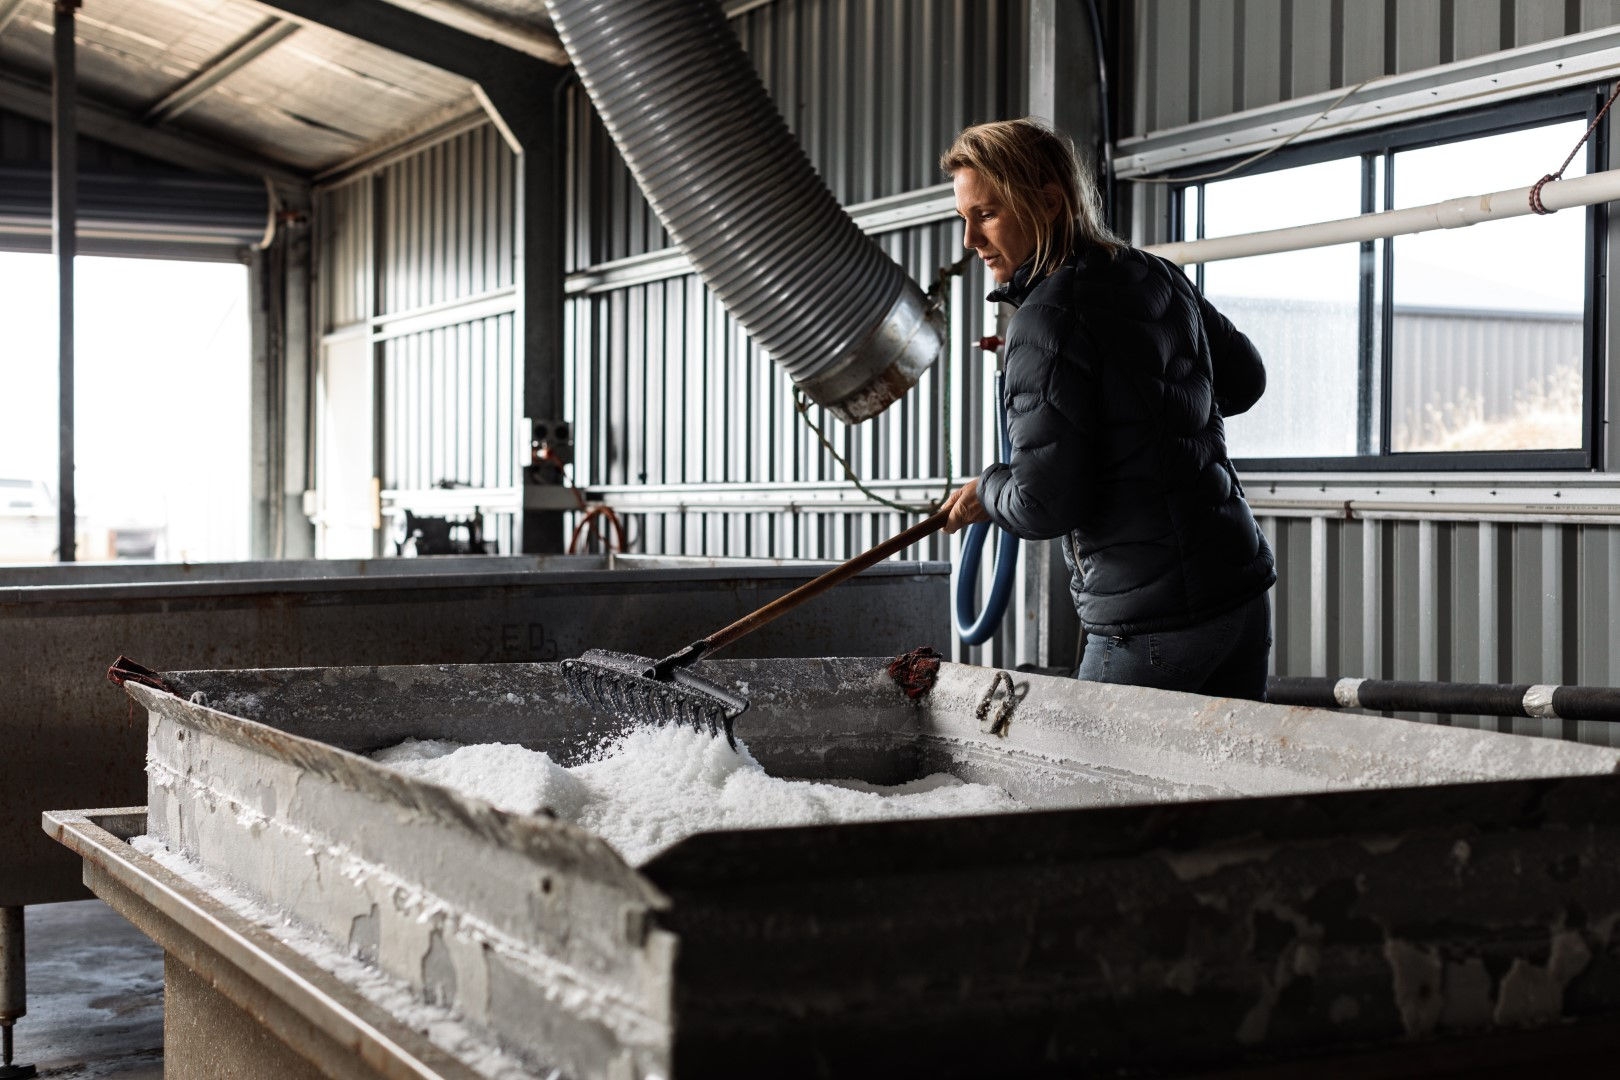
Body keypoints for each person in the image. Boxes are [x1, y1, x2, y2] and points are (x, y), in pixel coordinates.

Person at [937, 118, 1276, 700]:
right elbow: (1245, 381)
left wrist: (988, 489)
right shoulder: (1155, 273)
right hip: (1238, 598)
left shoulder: (1044, 318)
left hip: (1149, 623)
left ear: (1047, 202)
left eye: (986, 214)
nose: (970, 241)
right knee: (1218, 791)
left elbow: (1043, 505)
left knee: (1089, 789)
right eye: (964, 218)